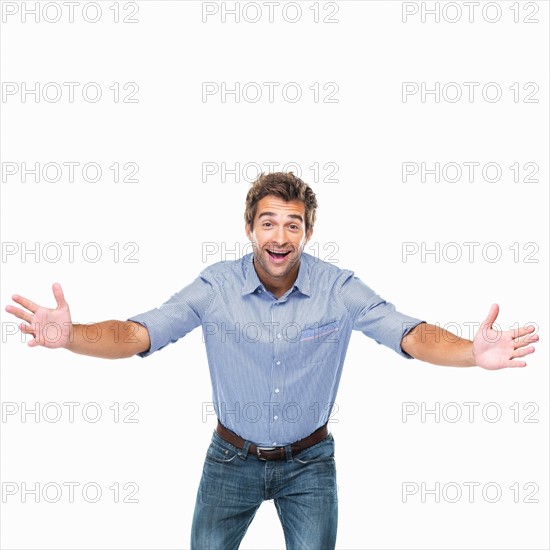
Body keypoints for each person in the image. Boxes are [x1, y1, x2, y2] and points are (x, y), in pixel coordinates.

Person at [5, 172, 539, 550]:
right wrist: (71, 335)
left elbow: (409, 335)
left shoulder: (339, 288)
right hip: (229, 461)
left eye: (292, 225)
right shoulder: (216, 286)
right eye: (268, 223)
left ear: (307, 232)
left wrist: (472, 352)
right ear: (249, 229)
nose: (279, 237)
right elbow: (137, 333)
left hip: (310, 464)